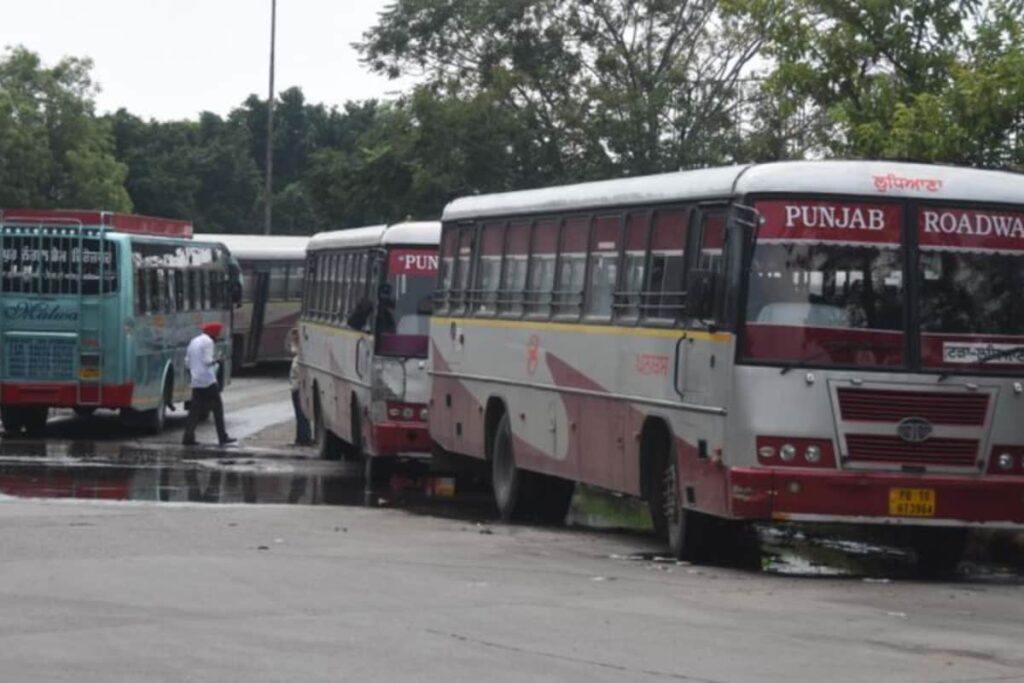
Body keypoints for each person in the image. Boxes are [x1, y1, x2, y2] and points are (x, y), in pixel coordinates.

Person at [182, 321, 236, 447]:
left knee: (194, 411)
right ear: (214, 334)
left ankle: (188, 437)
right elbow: (207, 361)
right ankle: (222, 437)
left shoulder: (194, 341)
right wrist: (218, 360)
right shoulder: (208, 342)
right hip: (208, 381)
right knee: (217, 408)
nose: (217, 338)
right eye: (217, 335)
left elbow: (187, 362)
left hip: (196, 381)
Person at [289, 328, 312, 446]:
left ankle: (304, 438)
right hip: (296, 387)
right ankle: (301, 437)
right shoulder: (299, 356)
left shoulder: (300, 358)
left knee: (302, 414)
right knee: (301, 414)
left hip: (298, 388)